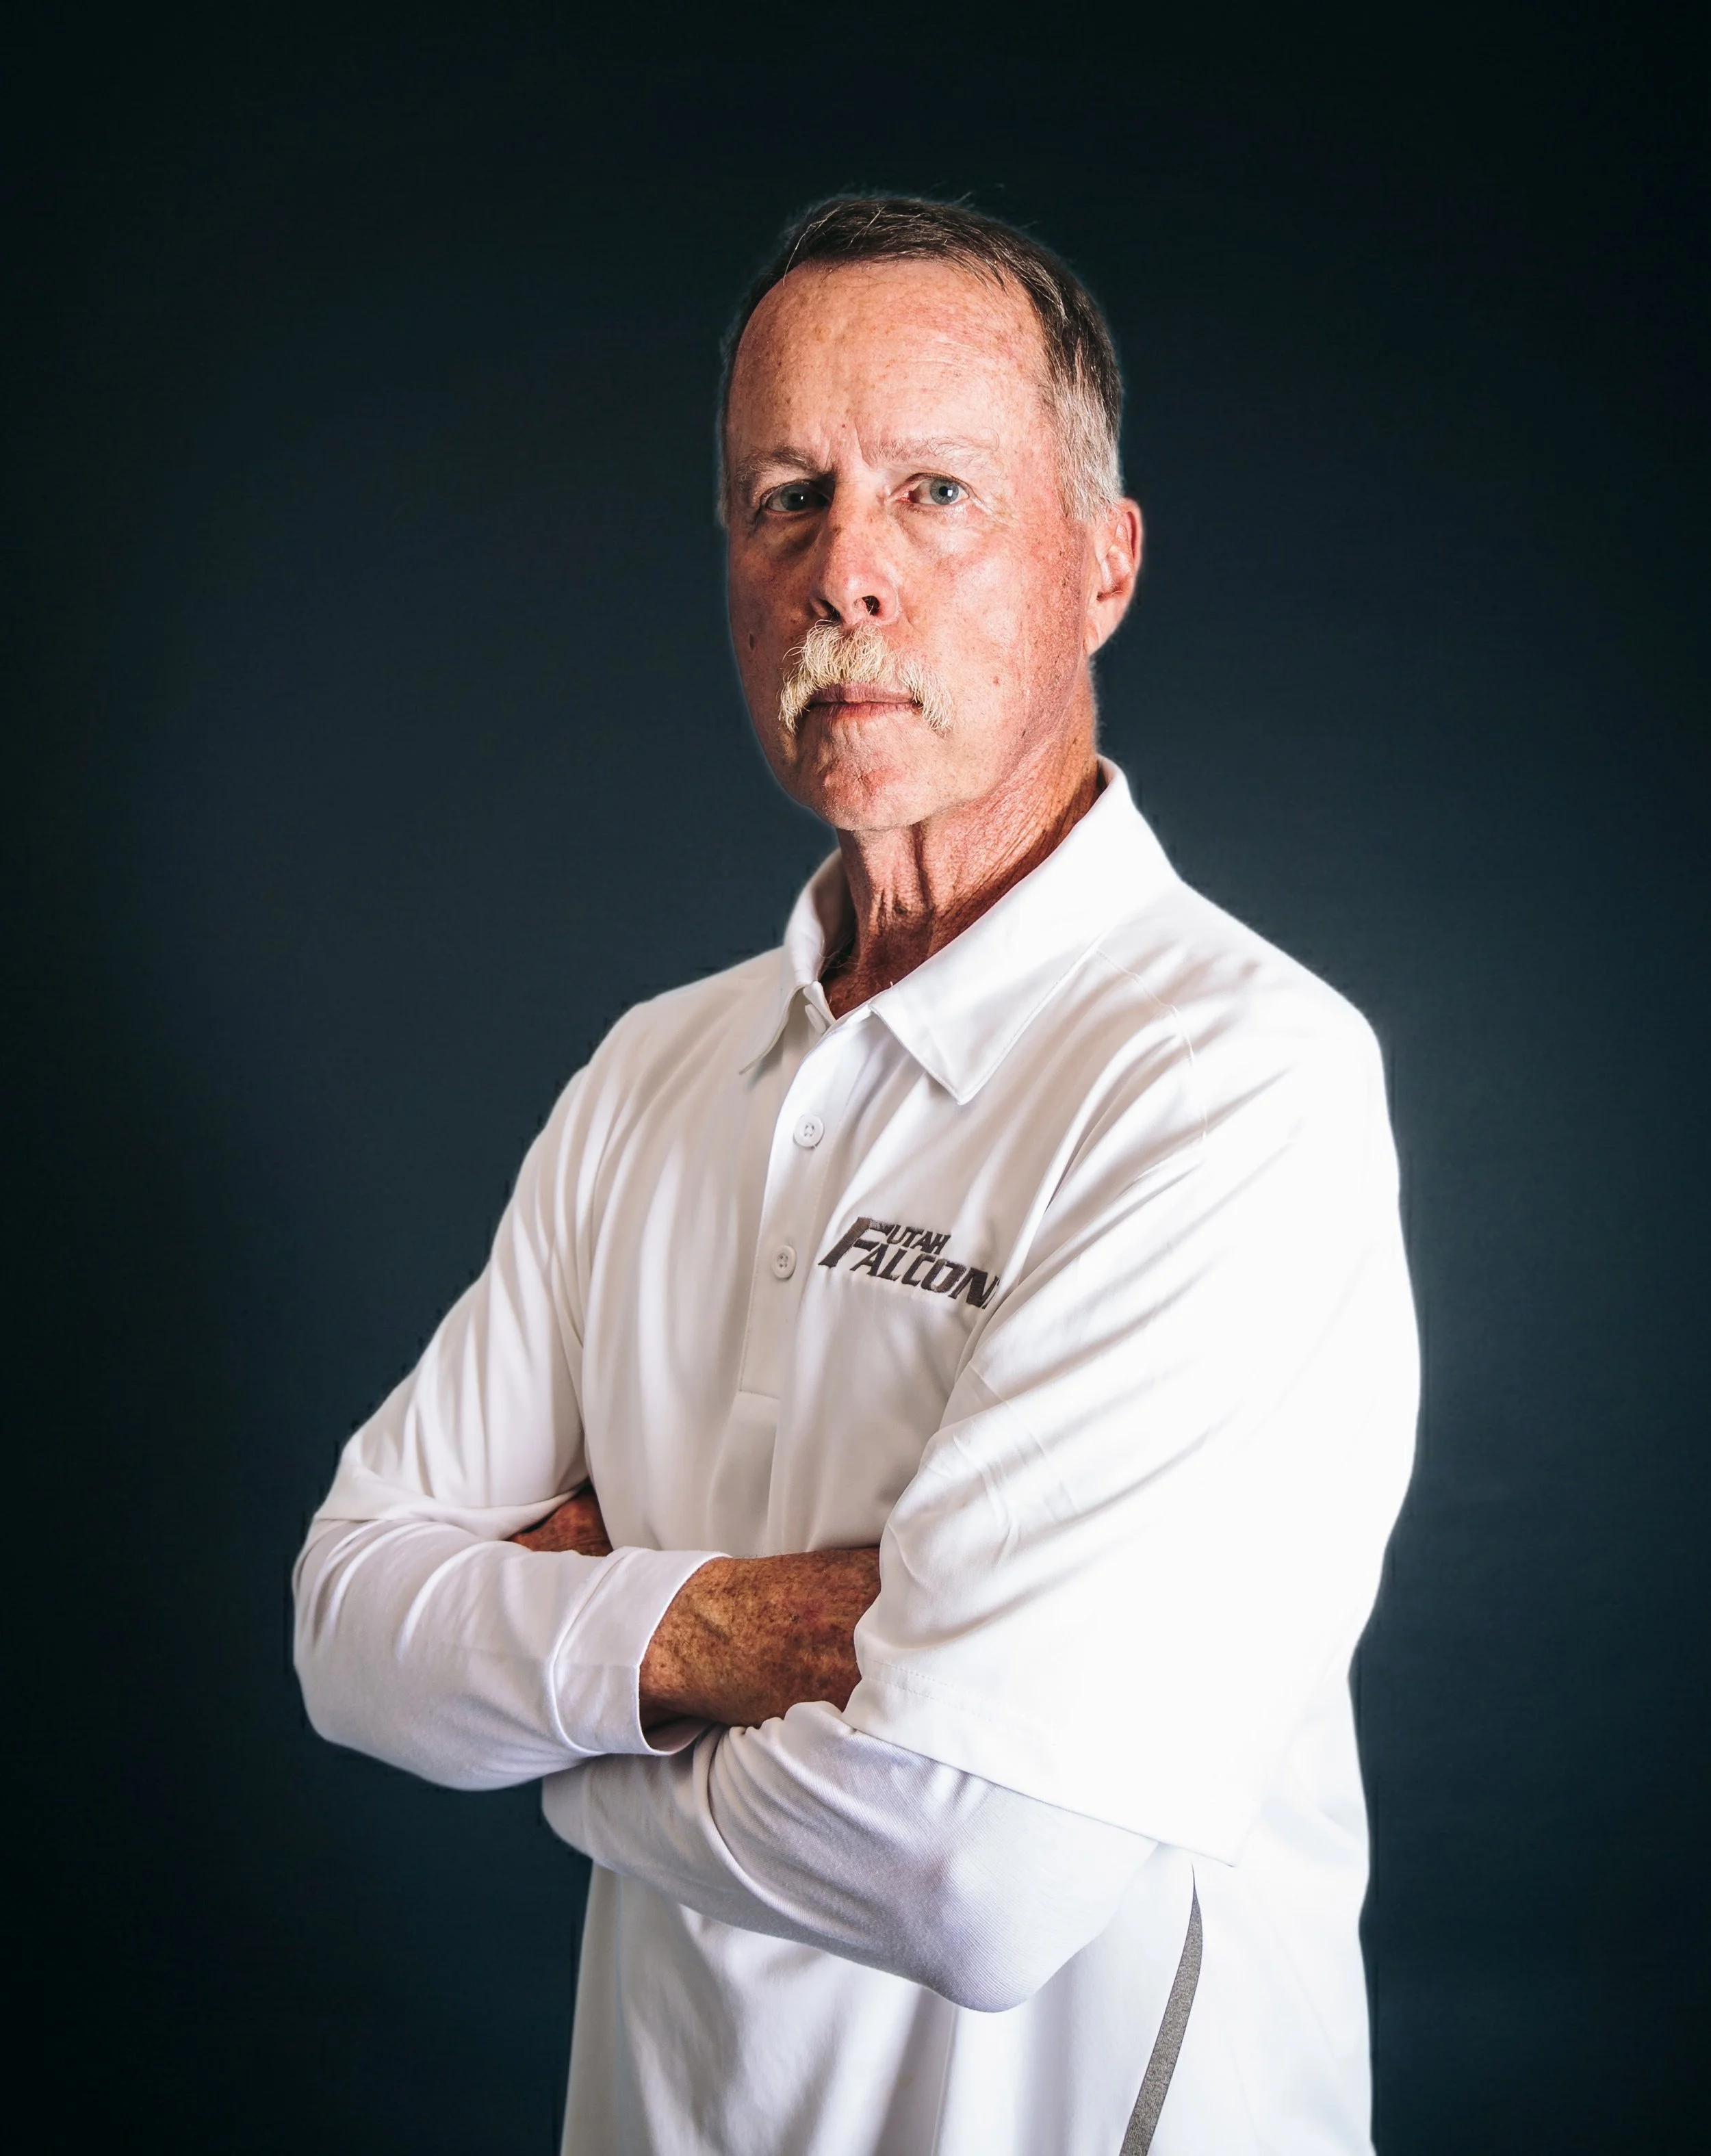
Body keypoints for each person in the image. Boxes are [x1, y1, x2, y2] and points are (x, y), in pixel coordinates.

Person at [294, 195, 1418, 2155]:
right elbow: (349, 1630)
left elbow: (969, 1869)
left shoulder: (1230, 1083)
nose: (846, 576)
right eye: (784, 497)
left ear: (1102, 564)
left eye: (937, 492)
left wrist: (557, 1731)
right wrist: (743, 1630)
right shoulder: (652, 1071)